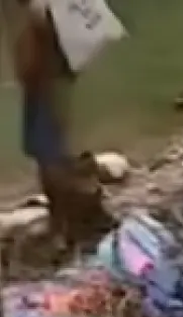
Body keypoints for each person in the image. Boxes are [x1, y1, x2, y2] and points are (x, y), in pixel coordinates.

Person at [6, 0, 112, 248]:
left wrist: (27, 73)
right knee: (60, 151)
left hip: (47, 83)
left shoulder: (39, 11)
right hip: (58, 80)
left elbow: (31, 58)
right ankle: (73, 220)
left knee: (53, 155)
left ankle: (68, 227)